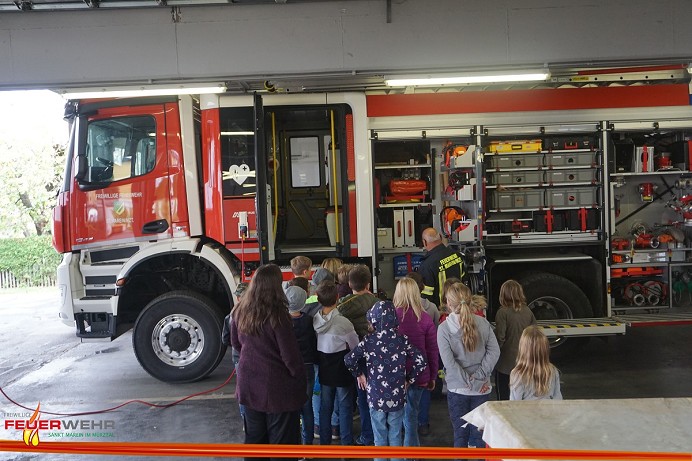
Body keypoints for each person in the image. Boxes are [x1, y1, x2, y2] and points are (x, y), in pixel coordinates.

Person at [230, 264, 307, 461]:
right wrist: (299, 380)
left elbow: (236, 344)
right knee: (282, 446)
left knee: (255, 442)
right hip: (277, 390)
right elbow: (290, 357)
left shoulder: (240, 310)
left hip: (248, 384)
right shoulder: (278, 316)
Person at [344, 300, 427, 461]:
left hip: (375, 397)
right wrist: (410, 379)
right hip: (397, 397)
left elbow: (349, 359)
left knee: (379, 438)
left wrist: (360, 374)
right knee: (396, 435)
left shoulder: (369, 341)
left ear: (373, 320)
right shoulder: (402, 339)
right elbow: (421, 361)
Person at [437, 282, 500, 450]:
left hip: (458, 390)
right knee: (479, 437)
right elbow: (494, 352)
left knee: (460, 436)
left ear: (448, 303)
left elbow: (449, 363)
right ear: (470, 300)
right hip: (482, 388)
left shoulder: (443, 329)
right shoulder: (483, 323)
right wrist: (478, 378)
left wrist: (467, 381)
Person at [392, 277, 439, 448]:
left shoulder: (390, 319)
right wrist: (433, 375)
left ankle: (396, 455)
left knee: (395, 418)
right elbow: (433, 350)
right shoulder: (425, 318)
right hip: (419, 375)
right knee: (411, 415)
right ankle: (412, 453)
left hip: (394, 376)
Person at [312, 280, 359, 446]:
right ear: (338, 298)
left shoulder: (314, 322)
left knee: (325, 408)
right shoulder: (344, 323)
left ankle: (324, 444)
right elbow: (355, 347)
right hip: (342, 372)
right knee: (345, 408)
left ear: (318, 299)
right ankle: (347, 445)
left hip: (324, 372)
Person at [338, 264, 380, 446]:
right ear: (368, 284)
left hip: (350, 356)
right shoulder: (378, 303)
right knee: (368, 399)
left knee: (349, 399)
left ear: (349, 283)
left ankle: (351, 436)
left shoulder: (342, 306)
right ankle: (370, 435)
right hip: (374, 355)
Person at [494, 279, 537, 401]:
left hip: (505, 363)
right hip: (525, 361)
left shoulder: (502, 312)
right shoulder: (528, 311)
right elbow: (535, 333)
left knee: (503, 397)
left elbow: (500, 337)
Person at [286, 285, 318, 444]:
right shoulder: (308, 320)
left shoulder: (282, 322)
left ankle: (295, 445)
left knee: (292, 409)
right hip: (307, 367)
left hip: (289, 369)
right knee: (307, 408)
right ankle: (309, 445)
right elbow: (313, 344)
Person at [510, 325, 563, 401]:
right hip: (549, 412)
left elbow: (514, 404)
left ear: (523, 348)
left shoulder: (517, 373)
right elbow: (558, 399)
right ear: (545, 349)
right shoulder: (553, 371)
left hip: (526, 412)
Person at [418, 228, 464, 307]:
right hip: (460, 306)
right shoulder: (457, 255)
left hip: (442, 310)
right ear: (440, 237)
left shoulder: (427, 265)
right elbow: (464, 280)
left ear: (424, 242)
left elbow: (426, 297)